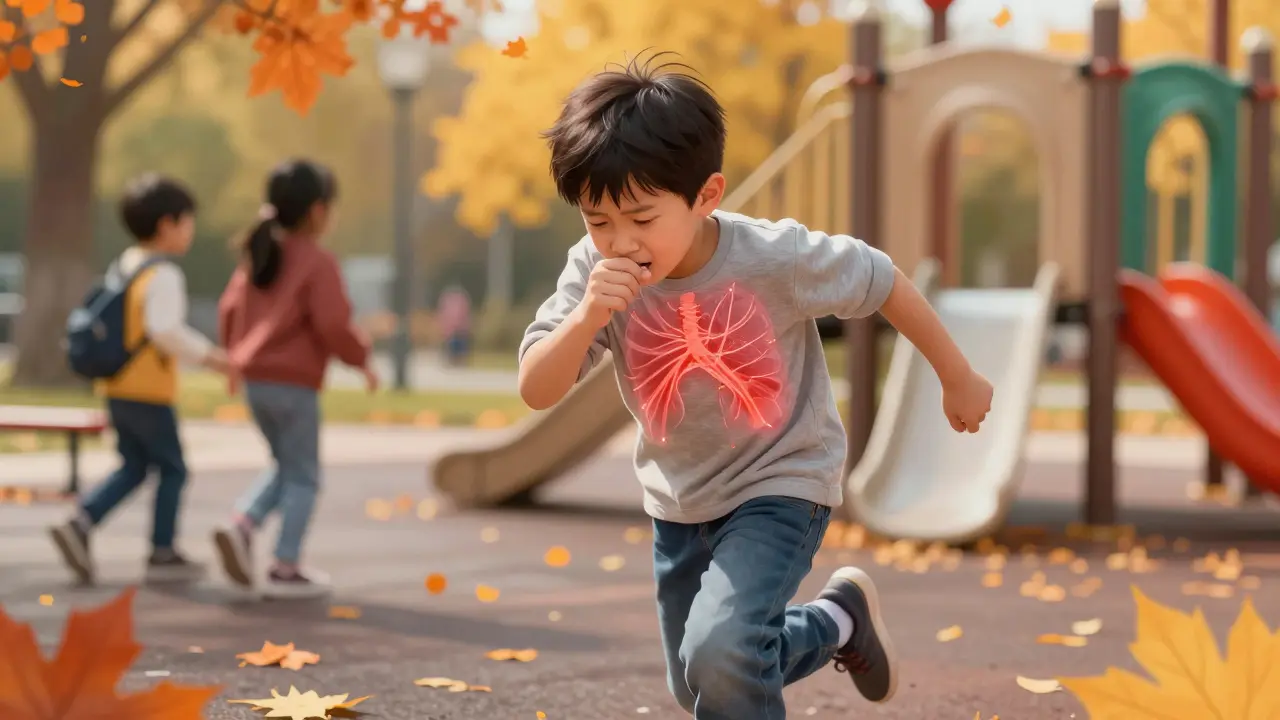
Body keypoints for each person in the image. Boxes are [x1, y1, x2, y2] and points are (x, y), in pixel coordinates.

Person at [518, 54, 994, 719]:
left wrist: (958, 374)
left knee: (722, 653)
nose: (619, 240)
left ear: (706, 196)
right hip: (680, 498)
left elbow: (881, 278)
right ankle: (836, 624)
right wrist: (588, 317)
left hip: (781, 481)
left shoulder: (772, 256)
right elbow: (537, 388)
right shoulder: (590, 273)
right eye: (598, 221)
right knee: (701, 680)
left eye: (641, 218)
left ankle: (802, 631)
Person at [50, 173, 234, 585]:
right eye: (188, 221)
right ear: (167, 224)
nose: (191, 230)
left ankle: (81, 522)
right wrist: (212, 357)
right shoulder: (164, 274)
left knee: (134, 466)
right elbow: (164, 330)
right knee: (173, 468)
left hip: (117, 385)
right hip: (149, 389)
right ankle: (161, 550)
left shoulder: (126, 264)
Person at [212, 159, 377, 599]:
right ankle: (285, 566)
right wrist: (360, 358)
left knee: (287, 466)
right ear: (318, 211)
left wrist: (233, 360)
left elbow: (228, 311)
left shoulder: (258, 254)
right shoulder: (317, 261)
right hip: (294, 386)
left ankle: (244, 523)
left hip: (255, 384)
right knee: (304, 476)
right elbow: (333, 324)